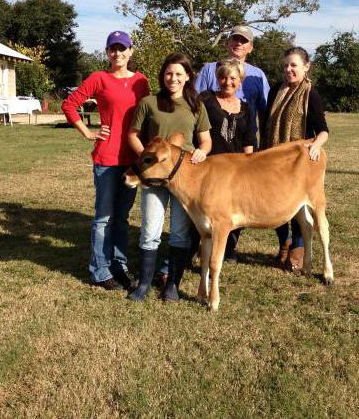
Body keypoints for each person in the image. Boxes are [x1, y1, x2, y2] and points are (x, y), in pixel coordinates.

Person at [61, 31, 149, 291]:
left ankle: (119, 265)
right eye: (113, 49)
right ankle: (100, 270)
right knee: (103, 218)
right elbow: (69, 104)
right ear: (107, 52)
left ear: (131, 51)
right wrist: (88, 132)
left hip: (132, 158)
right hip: (107, 158)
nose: (117, 53)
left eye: (122, 49)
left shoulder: (141, 81)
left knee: (122, 217)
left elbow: (148, 115)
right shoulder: (99, 78)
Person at [127, 53, 212, 302]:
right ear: (162, 75)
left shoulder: (196, 105)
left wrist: (201, 151)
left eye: (178, 74)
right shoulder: (149, 102)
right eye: (168, 73)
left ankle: (172, 283)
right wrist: (147, 157)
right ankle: (143, 283)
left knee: (179, 233)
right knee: (150, 230)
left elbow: (206, 140)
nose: (172, 78)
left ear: (187, 77)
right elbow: (133, 134)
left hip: (183, 178)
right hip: (153, 177)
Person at [261, 46, 329, 273]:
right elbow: (265, 124)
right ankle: (284, 244)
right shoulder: (274, 91)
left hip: (297, 163)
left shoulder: (311, 94)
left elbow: (323, 130)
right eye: (286, 66)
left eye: (294, 65)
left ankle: (298, 248)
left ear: (306, 67)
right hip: (273, 158)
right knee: (274, 203)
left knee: (298, 204)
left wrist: (316, 147)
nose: (289, 70)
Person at [194, 57, 256, 263]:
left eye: (232, 78)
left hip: (237, 168)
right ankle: (198, 246)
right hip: (209, 166)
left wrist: (250, 165)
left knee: (237, 208)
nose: (227, 82)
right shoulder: (205, 100)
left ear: (240, 81)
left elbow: (249, 138)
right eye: (222, 77)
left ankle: (229, 247)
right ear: (217, 78)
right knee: (204, 208)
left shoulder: (246, 108)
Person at [195, 24, 270, 138]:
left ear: (250, 48)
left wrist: (265, 141)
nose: (239, 43)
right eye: (235, 38)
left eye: (244, 40)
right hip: (212, 143)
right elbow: (195, 106)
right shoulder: (209, 70)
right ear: (227, 43)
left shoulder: (258, 75)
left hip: (246, 145)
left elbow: (265, 113)